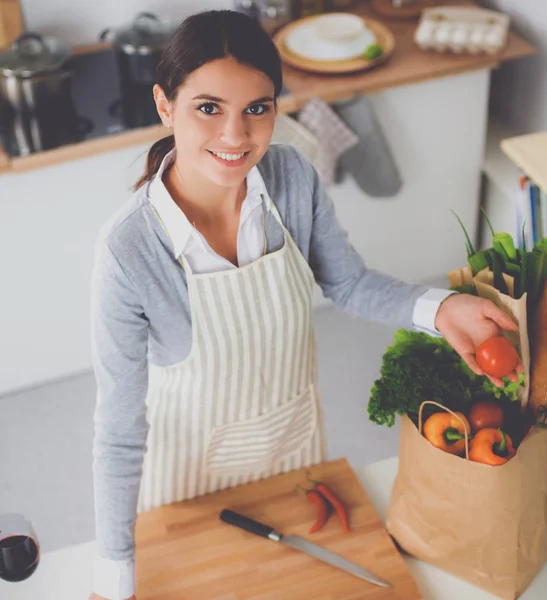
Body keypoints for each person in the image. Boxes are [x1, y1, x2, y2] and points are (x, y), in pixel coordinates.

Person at [89, 10, 521, 600]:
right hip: (190, 479)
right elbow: (117, 428)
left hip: (292, 452)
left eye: (257, 109)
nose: (236, 137)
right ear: (166, 106)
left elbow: (347, 283)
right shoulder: (128, 249)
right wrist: (116, 572)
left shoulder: (291, 177)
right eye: (208, 108)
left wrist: (441, 310)